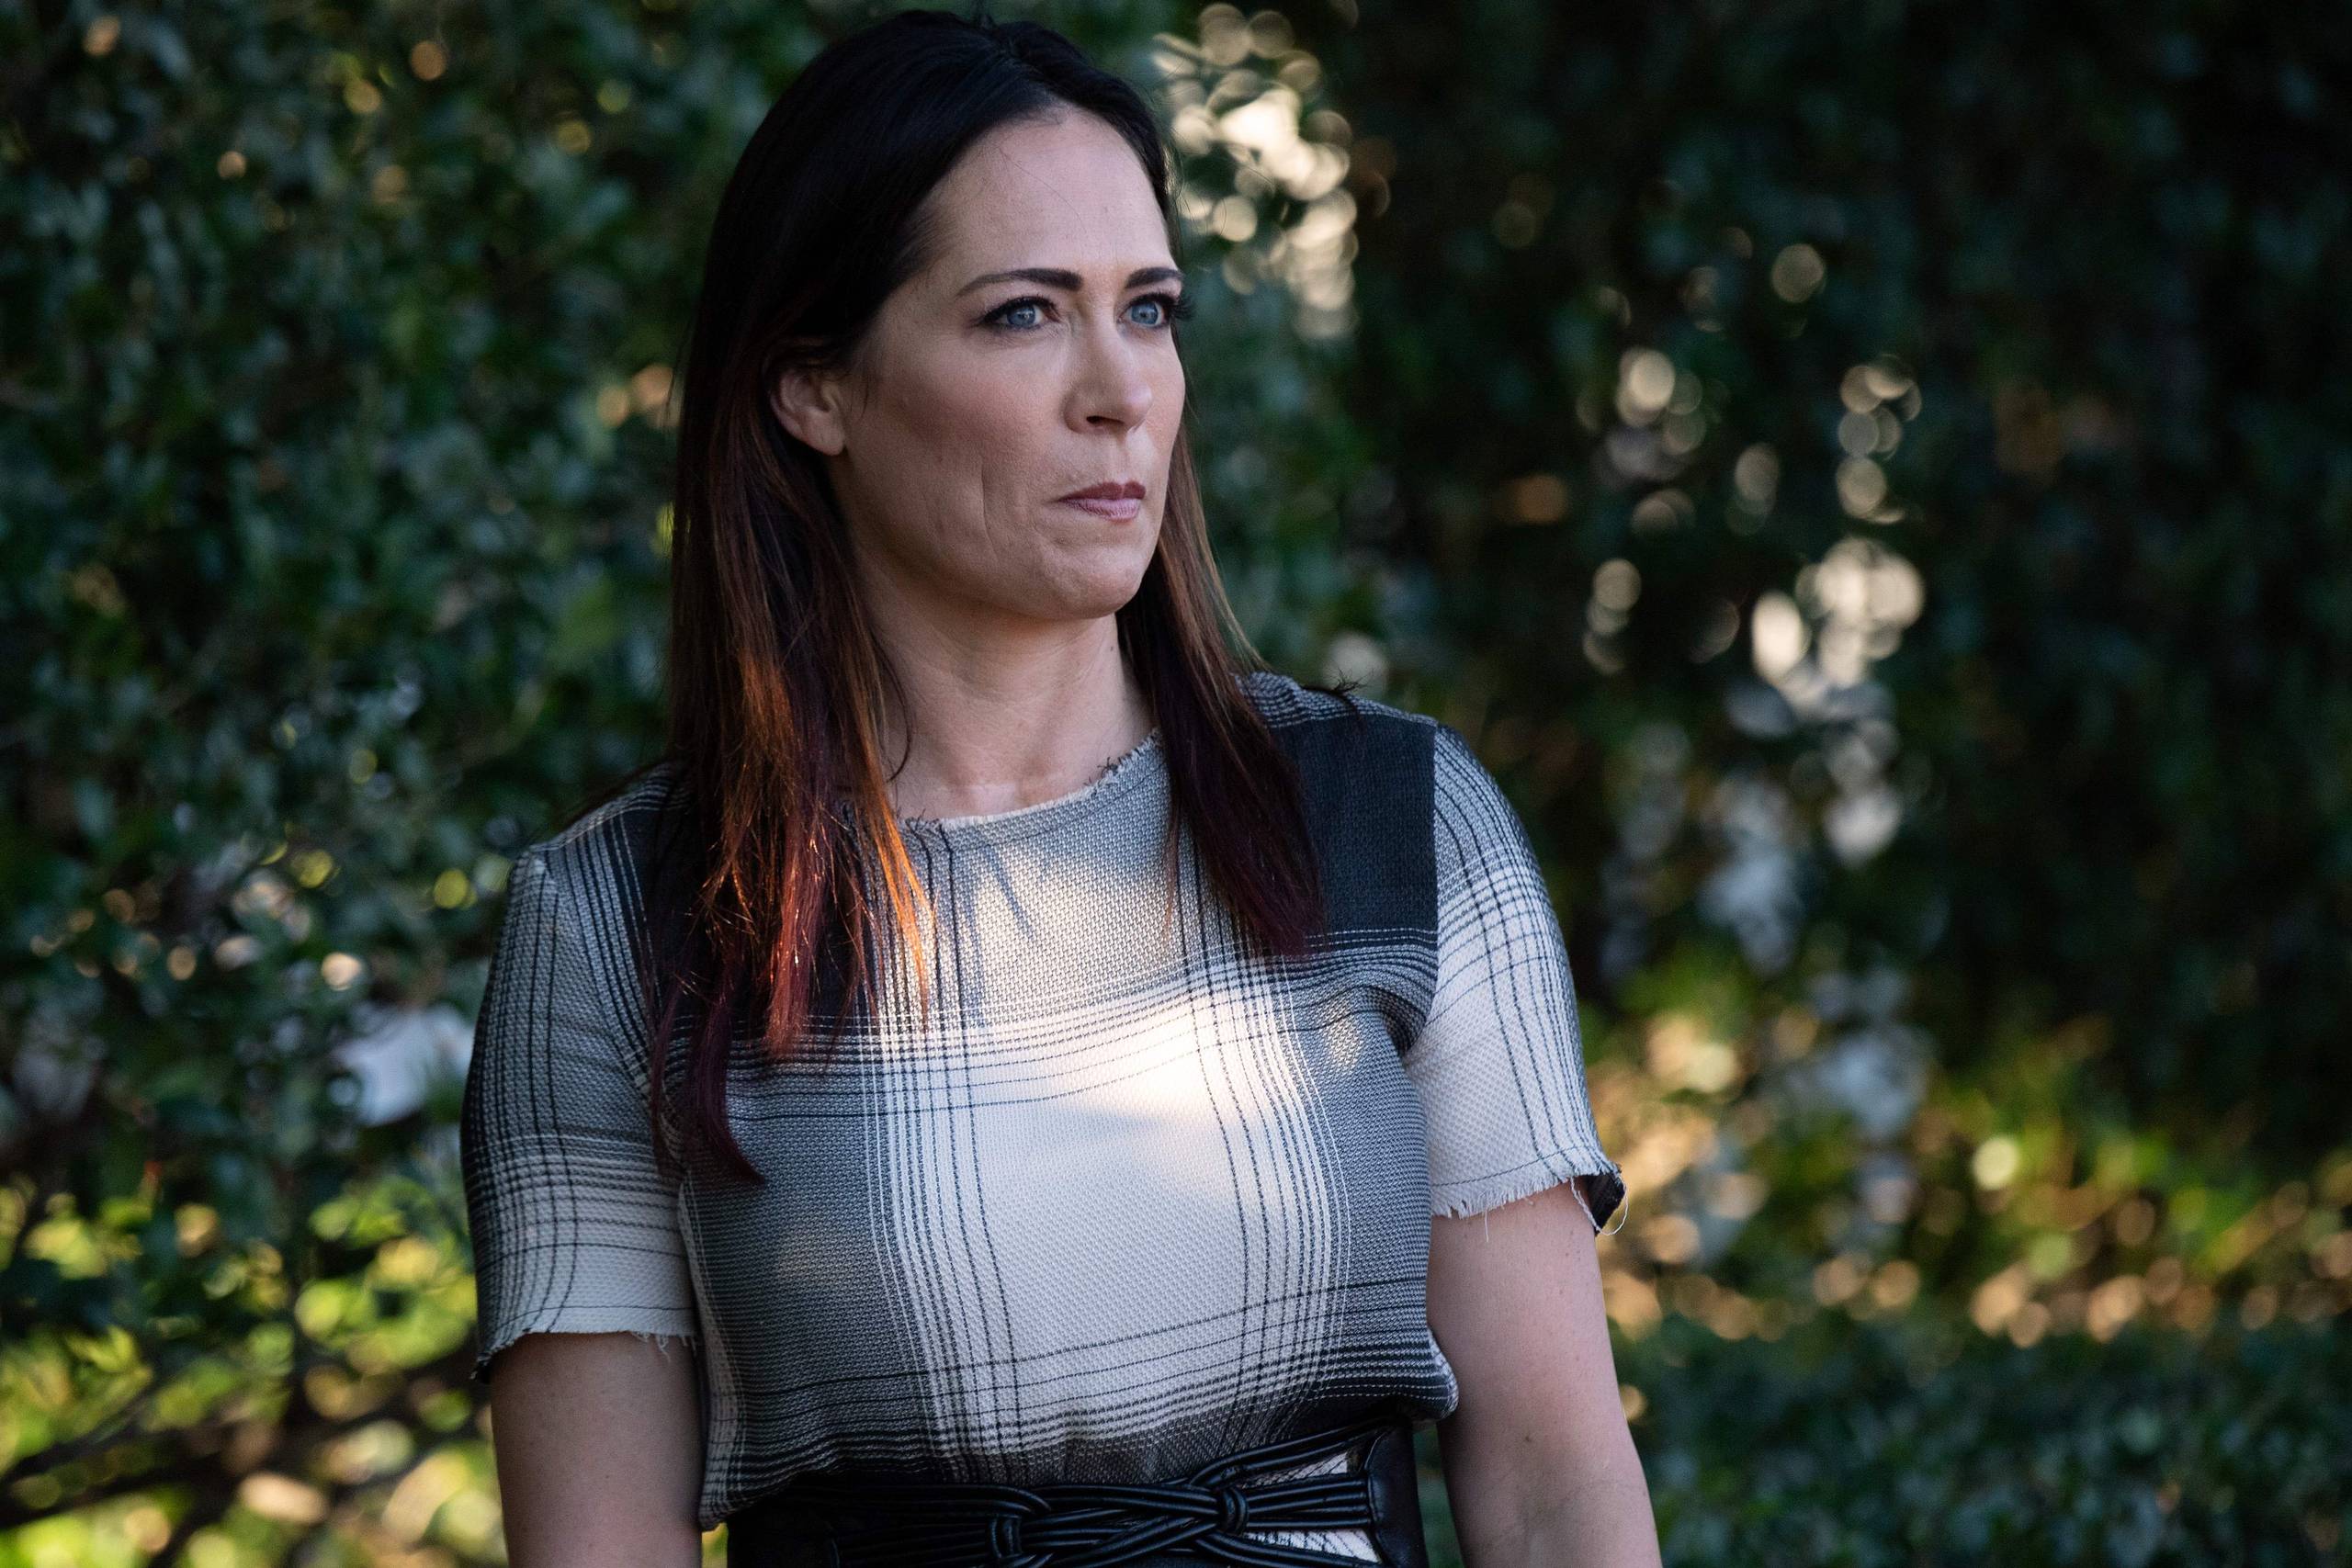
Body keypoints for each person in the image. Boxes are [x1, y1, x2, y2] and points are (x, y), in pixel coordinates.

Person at [458, 7, 1658, 1566]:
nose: (1121, 391)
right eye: (1024, 314)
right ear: (813, 385)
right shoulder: (622, 924)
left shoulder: (1392, 824)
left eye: (1148, 310)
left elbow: (1558, 1494)